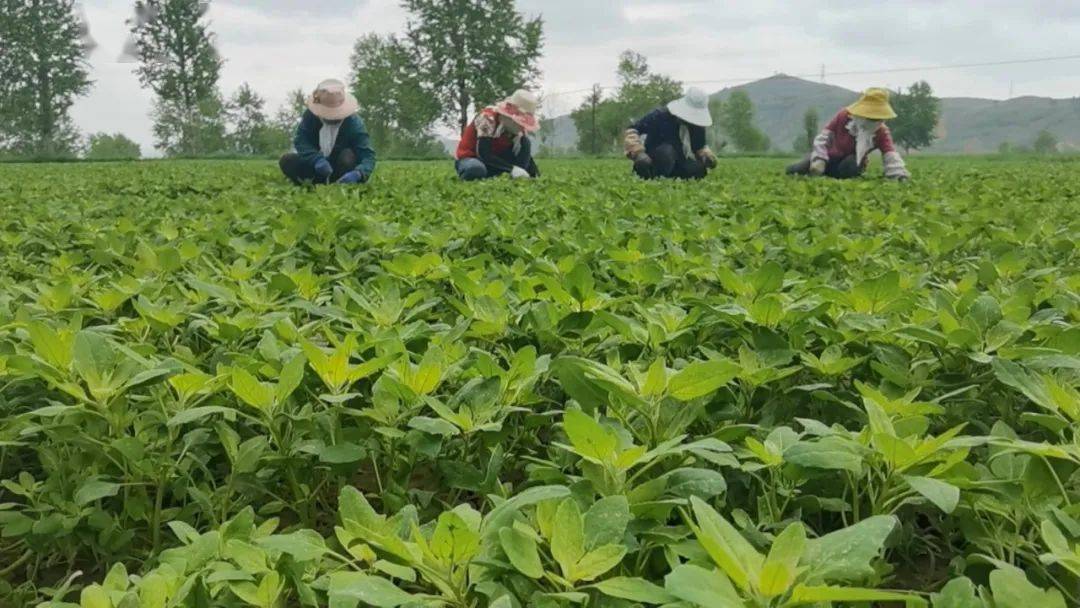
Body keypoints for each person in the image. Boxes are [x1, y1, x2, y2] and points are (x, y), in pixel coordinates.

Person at [787, 88, 909, 181]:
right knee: (796, 170)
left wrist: (898, 175)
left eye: (877, 118)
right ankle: (821, 171)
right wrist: (819, 160)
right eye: (870, 116)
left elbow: (890, 155)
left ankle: (832, 176)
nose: (873, 121)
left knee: (851, 164)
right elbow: (824, 138)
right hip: (828, 157)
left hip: (851, 163)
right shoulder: (843, 116)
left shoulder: (881, 132)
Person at [279, 79, 376, 186]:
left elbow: (367, 154)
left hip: (340, 168)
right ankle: (309, 183)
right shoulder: (310, 116)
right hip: (314, 165)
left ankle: (343, 183)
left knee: (348, 156)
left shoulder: (353, 122)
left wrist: (359, 173)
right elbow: (301, 141)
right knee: (287, 160)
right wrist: (316, 159)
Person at [624, 87, 718, 180]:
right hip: (654, 159)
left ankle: (670, 177)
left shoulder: (697, 125)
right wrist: (638, 153)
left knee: (699, 169)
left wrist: (706, 156)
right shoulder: (659, 115)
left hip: (679, 160)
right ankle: (653, 176)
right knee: (667, 152)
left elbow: (699, 147)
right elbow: (632, 129)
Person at [455, 89, 541, 181]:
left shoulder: (519, 132)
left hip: (497, 160)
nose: (522, 128)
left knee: (525, 142)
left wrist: (531, 173)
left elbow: (525, 156)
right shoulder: (487, 118)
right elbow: (483, 154)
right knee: (476, 170)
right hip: (472, 158)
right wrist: (512, 169)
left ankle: (510, 177)